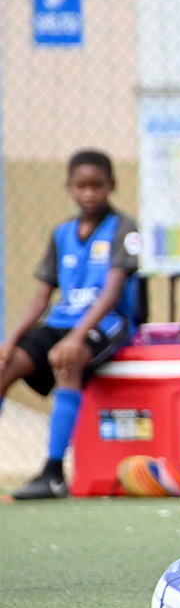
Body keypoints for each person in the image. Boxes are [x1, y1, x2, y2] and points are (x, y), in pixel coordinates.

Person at [1, 149, 139, 499]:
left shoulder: (123, 228)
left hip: (106, 322)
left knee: (67, 359)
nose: (89, 193)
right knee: (5, 366)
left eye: (97, 185)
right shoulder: (61, 233)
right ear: (69, 187)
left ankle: (53, 472)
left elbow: (111, 292)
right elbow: (41, 297)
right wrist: (9, 341)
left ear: (112, 185)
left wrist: (76, 338)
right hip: (62, 320)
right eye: (81, 186)